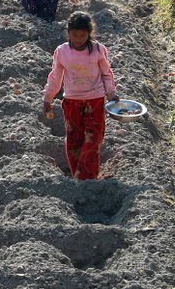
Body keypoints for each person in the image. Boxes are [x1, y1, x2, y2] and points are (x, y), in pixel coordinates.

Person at [42, 11, 118, 180]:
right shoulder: (62, 52)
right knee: (74, 141)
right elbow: (55, 77)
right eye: (74, 35)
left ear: (89, 33)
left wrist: (112, 94)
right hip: (72, 102)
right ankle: (79, 177)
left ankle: (86, 178)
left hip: (95, 100)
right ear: (68, 33)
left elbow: (106, 74)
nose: (78, 39)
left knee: (93, 139)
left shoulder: (98, 50)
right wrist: (48, 98)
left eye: (82, 36)